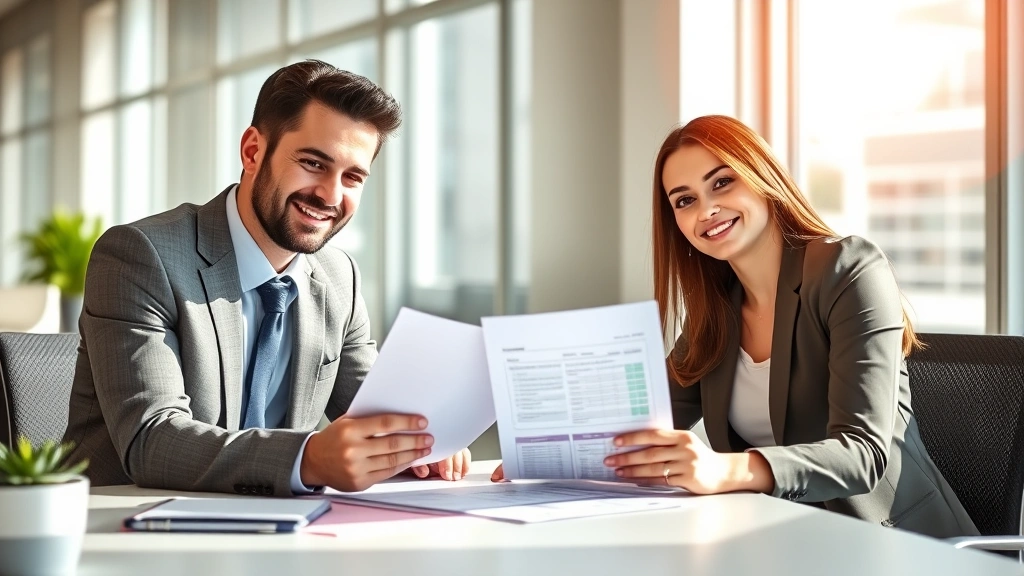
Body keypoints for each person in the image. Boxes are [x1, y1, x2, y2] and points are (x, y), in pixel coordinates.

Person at [493, 115, 978, 538]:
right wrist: (545, 458)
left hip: (893, 546)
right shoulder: (717, 312)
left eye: (721, 183)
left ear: (761, 176)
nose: (705, 210)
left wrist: (722, 468)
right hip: (777, 539)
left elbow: (862, 454)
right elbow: (643, 423)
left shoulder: (848, 270)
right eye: (683, 201)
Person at [64, 60, 471, 496]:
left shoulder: (339, 278)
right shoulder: (141, 256)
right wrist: (309, 458)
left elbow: (377, 413)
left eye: (352, 177)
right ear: (253, 151)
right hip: (122, 526)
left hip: (278, 530)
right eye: (314, 163)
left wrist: (423, 443)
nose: (331, 195)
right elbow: (152, 440)